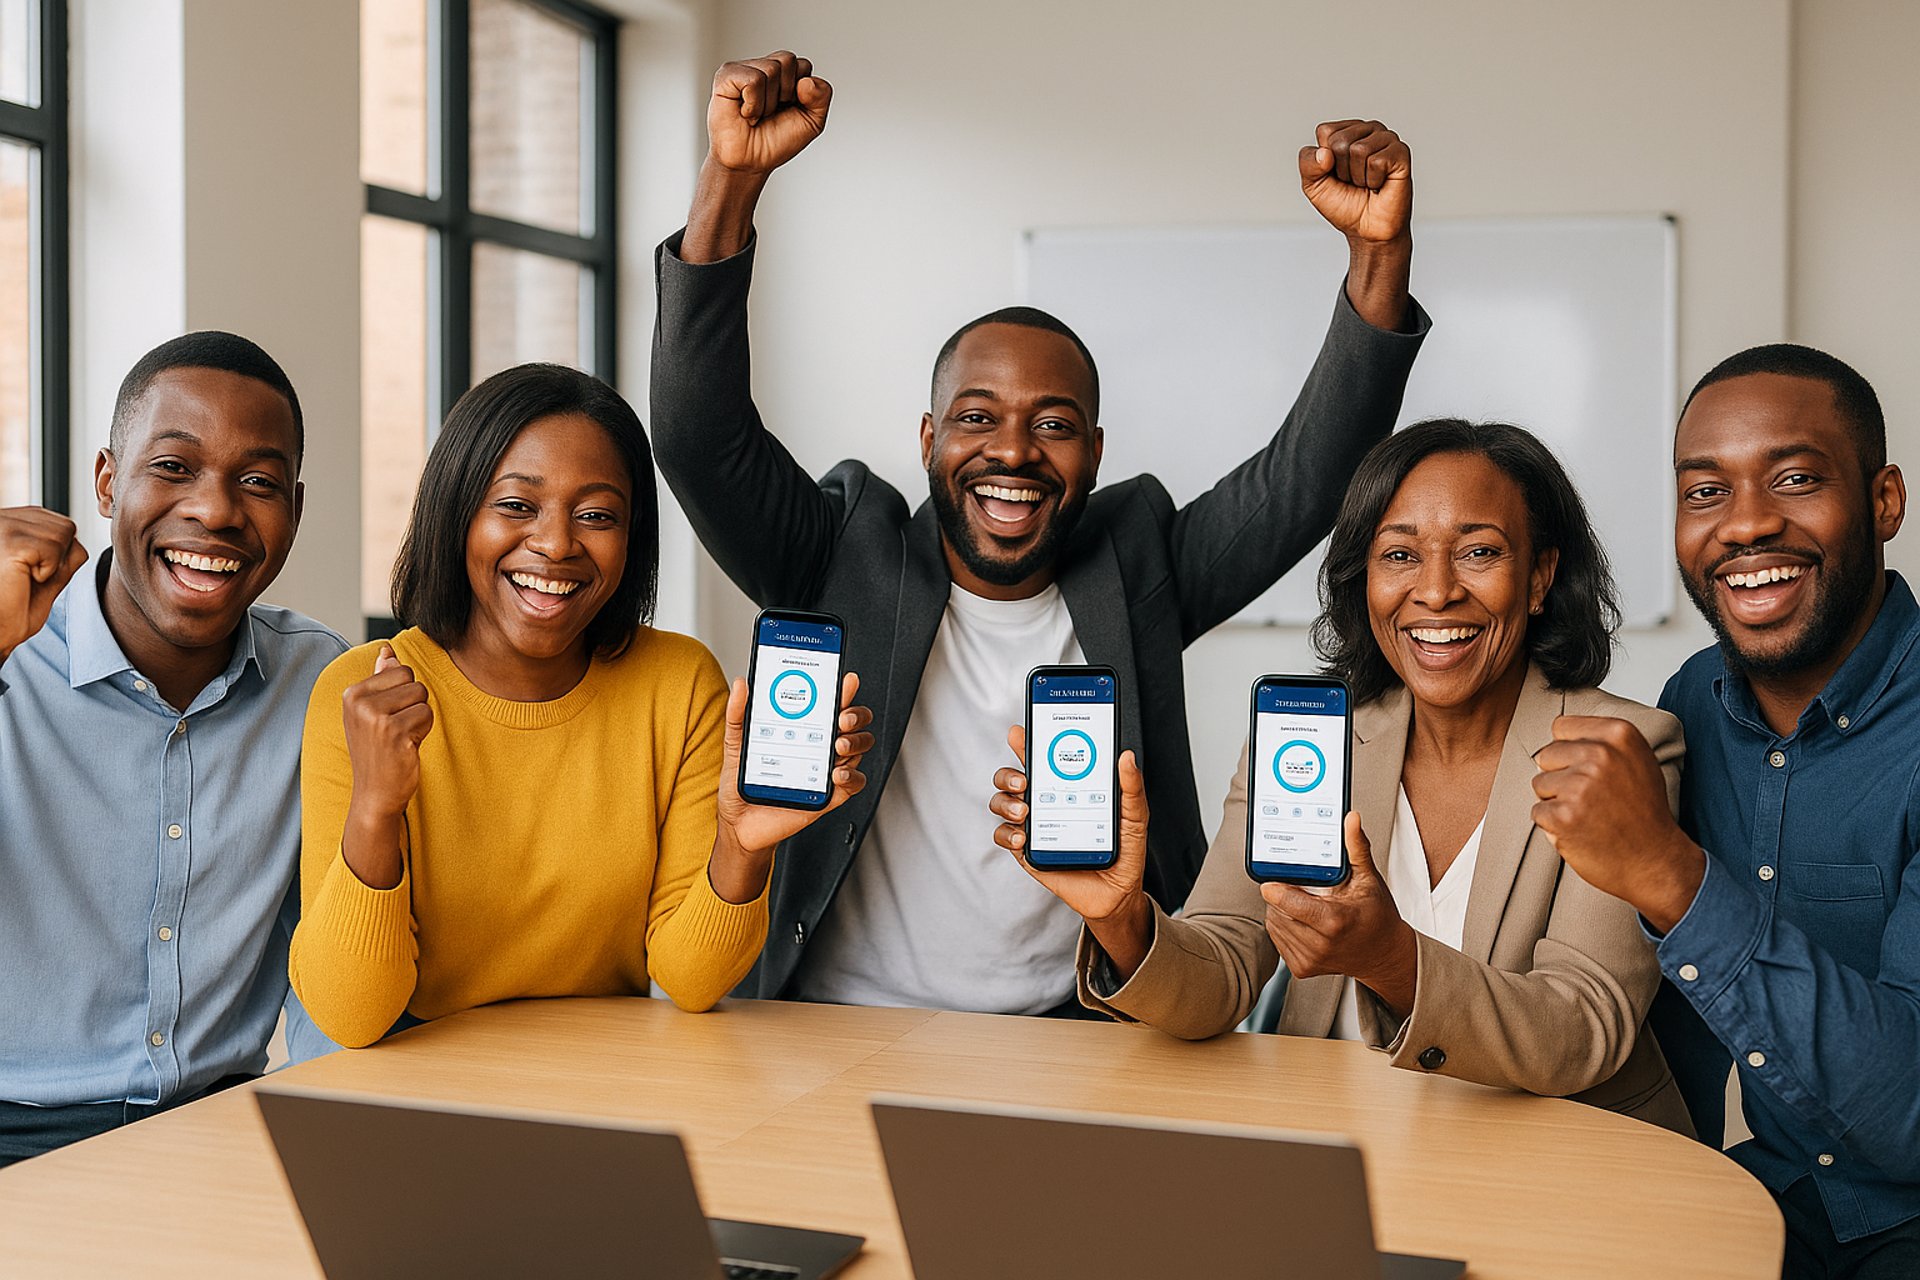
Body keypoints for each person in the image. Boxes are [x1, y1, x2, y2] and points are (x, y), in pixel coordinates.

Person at [650, 51, 1429, 1016]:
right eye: (977, 418)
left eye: (1053, 425)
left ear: (1094, 452)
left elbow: (1307, 481)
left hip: (1077, 1033)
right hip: (834, 1024)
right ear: (929, 439)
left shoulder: (1137, 562)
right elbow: (696, 437)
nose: (1013, 453)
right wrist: (731, 179)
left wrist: (1378, 262)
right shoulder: (841, 549)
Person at [990, 420, 1691, 1129]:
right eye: (1400, 555)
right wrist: (1122, 920)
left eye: (1479, 552)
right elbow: (1221, 975)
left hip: (1554, 1171)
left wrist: (1393, 962)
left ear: (1539, 576)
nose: (1437, 591)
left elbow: (1583, 1027)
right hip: (1334, 1149)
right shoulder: (1311, 744)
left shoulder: (1622, 751)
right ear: (1366, 581)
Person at [289, 364, 873, 1048]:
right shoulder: (365, 692)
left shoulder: (677, 684)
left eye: (597, 515)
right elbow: (349, 1017)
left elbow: (690, 979)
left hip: (600, 1074)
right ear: (456, 513)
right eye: (517, 505)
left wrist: (739, 848)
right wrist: (375, 809)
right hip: (415, 1079)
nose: (558, 543)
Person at [1534, 346, 1918, 1276]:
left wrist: (1669, 873)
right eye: (1705, 492)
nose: (1745, 524)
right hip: (1757, 1203)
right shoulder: (1693, 701)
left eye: (1794, 479)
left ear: (1883, 502)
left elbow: (1911, 1116)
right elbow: (1666, 1026)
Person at [0, 333, 344, 1167]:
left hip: (223, 1131)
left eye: (258, 482)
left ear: (293, 510)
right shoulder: (11, 658)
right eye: (174, 468)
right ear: (109, 481)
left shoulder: (321, 680)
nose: (218, 510)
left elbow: (333, 952)